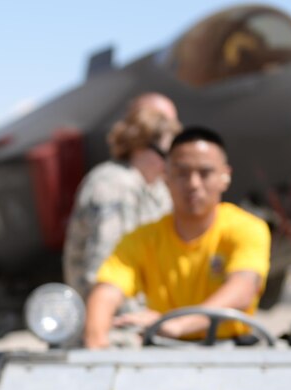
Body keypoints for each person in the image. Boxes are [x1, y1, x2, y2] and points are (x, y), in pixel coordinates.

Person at [83, 126, 270, 348]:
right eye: (182, 173)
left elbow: (242, 289)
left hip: (232, 350)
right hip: (164, 349)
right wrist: (96, 342)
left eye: (205, 173)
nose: (193, 184)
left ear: (224, 176)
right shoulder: (143, 238)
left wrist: (180, 324)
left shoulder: (247, 228)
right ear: (165, 176)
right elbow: (106, 291)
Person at [62, 93, 181, 299]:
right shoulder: (114, 185)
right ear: (142, 147)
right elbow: (103, 275)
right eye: (167, 154)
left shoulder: (157, 188)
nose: (171, 163)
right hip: (117, 320)